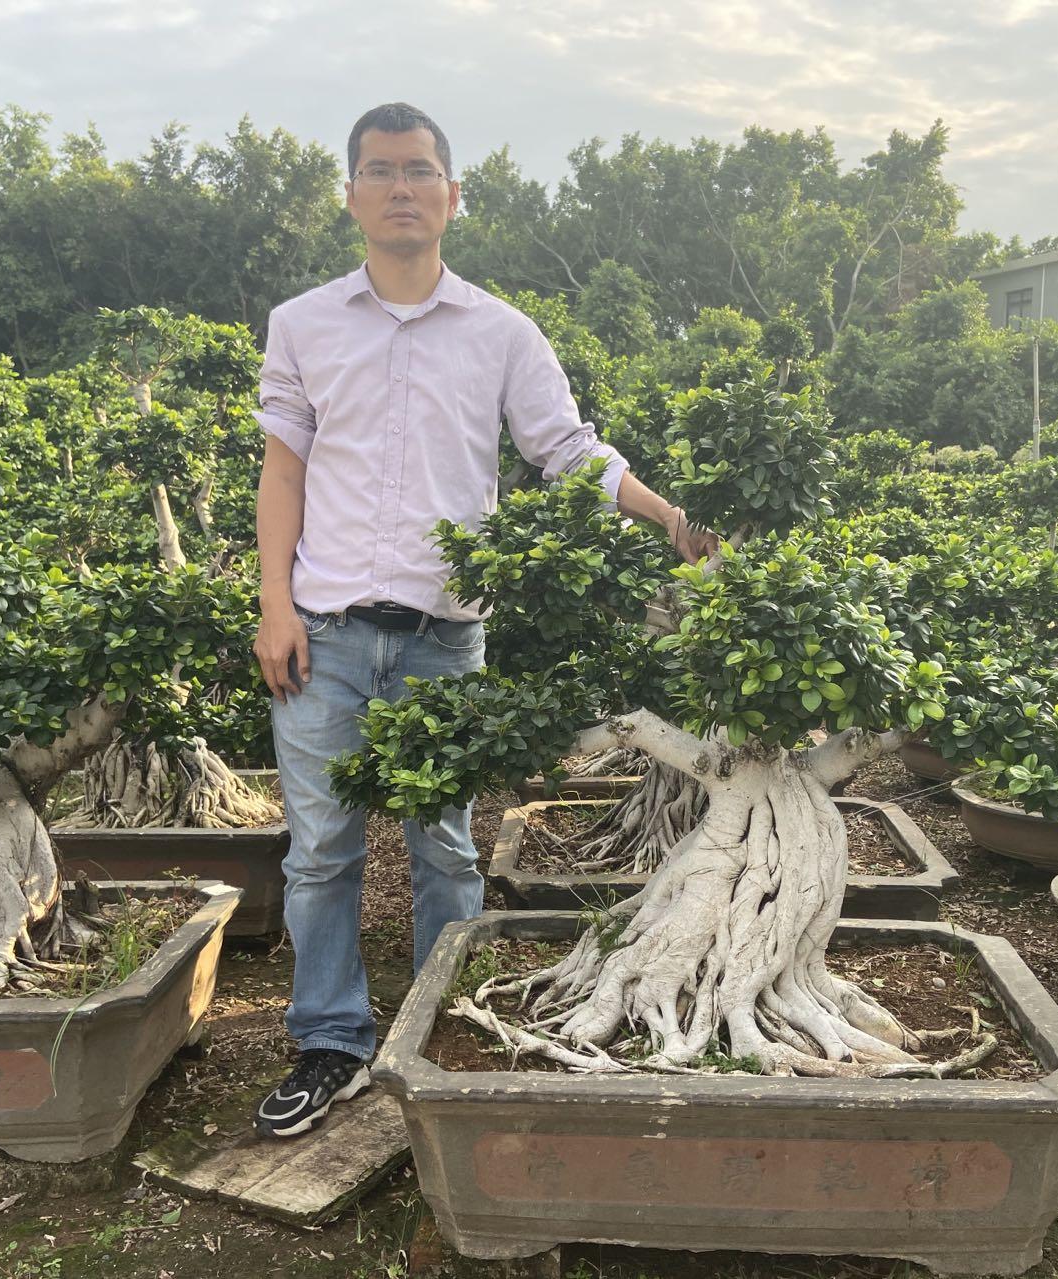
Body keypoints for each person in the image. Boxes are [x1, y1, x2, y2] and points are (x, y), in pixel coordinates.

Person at [251, 102, 718, 1139]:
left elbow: (567, 447)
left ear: (453, 196)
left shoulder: (502, 331)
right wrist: (273, 604)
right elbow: (282, 469)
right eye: (380, 171)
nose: (401, 187)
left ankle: (433, 1023)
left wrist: (668, 517)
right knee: (320, 848)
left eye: (420, 170)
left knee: (445, 845)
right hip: (321, 630)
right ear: (352, 196)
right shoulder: (302, 323)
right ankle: (329, 1038)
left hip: (442, 634)